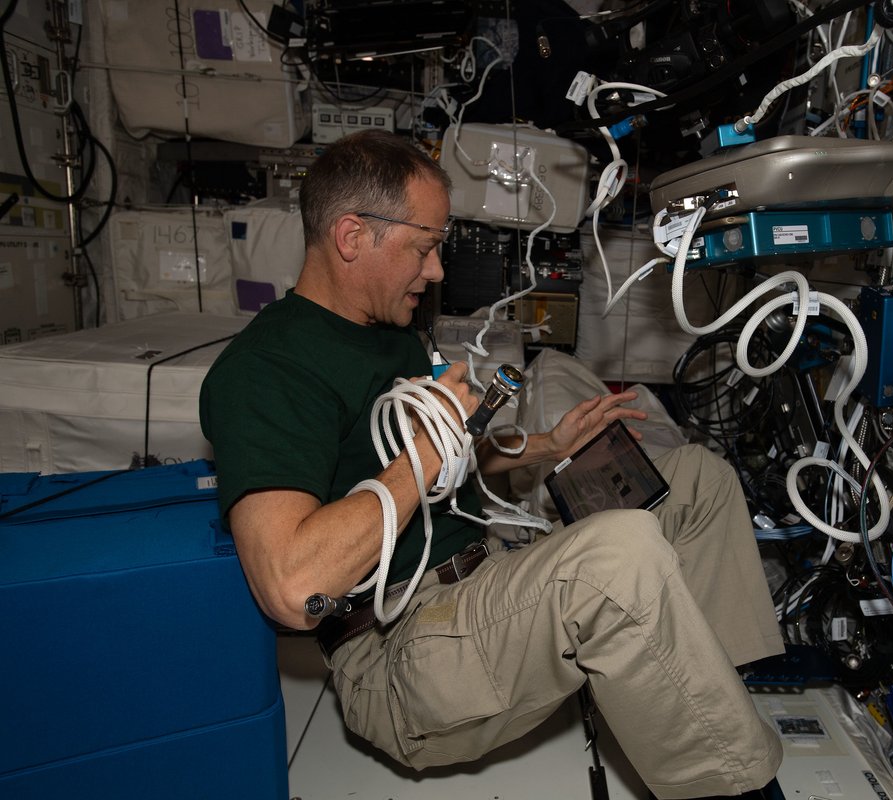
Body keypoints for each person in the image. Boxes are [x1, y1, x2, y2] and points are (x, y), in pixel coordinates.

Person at [199, 129, 786, 799]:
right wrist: (427, 450)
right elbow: (294, 587)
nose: (436, 272)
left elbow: (440, 464)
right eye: (424, 247)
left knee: (698, 479)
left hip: (485, 574)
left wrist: (546, 446)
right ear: (352, 236)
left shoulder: (388, 333)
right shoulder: (266, 370)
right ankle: (729, 787)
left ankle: (705, 699)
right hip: (400, 652)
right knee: (618, 556)